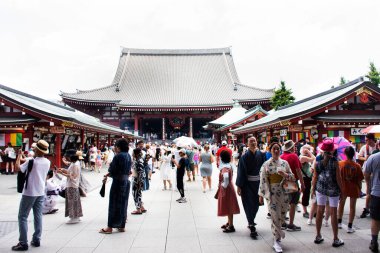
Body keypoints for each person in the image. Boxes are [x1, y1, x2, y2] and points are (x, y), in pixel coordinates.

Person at [12, 140, 50, 251]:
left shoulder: (31, 161)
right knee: (38, 216)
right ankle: (36, 239)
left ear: (36, 150)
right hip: (40, 192)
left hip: (29, 192)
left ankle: (23, 242)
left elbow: (17, 168)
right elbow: (31, 162)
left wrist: (19, 156)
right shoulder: (47, 162)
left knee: (22, 216)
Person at [259, 141, 295, 253]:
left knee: (282, 216)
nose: (276, 150)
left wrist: (285, 175)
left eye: (278, 149)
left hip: (284, 193)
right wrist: (262, 195)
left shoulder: (285, 163)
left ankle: (278, 234)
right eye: (274, 148)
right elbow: (263, 180)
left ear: (280, 150)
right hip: (272, 194)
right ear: (270, 150)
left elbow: (292, 177)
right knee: (275, 217)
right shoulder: (266, 164)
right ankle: (277, 240)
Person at [312, 138, 344, 247]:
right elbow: (339, 178)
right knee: (334, 212)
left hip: (320, 188)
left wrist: (312, 189)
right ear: (331, 150)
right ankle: (335, 239)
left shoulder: (318, 160)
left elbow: (315, 177)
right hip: (333, 189)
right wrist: (342, 191)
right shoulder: (335, 161)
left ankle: (318, 235)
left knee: (320, 211)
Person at [236, 136, 266, 239]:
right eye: (251, 141)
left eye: (254, 141)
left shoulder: (261, 155)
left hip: (258, 183)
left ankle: (251, 220)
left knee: (257, 203)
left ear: (257, 142)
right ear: (247, 144)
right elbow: (241, 172)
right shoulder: (244, 157)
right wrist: (239, 186)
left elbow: (264, 170)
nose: (253, 143)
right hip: (247, 184)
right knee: (248, 203)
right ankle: (251, 223)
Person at [99, 138, 132, 234]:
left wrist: (109, 172)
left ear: (118, 147)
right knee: (123, 204)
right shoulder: (128, 155)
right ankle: (121, 226)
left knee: (114, 204)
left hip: (118, 182)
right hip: (126, 182)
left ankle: (110, 227)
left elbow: (113, 169)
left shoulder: (118, 156)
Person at [337, 146, 364, 233]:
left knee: (341, 204)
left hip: (343, 187)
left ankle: (339, 223)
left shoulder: (340, 164)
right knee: (352, 207)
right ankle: (349, 226)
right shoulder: (357, 166)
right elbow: (360, 180)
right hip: (354, 188)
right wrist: (360, 189)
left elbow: (338, 177)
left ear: (345, 154)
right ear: (354, 154)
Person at [280, 140, 305, 232]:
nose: (295, 148)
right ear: (291, 148)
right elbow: (298, 171)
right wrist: (302, 184)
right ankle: (290, 224)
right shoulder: (294, 156)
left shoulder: (281, 156)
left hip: (282, 182)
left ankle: (282, 222)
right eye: (294, 147)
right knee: (293, 203)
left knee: (284, 203)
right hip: (292, 182)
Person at [57, 150, 83, 224]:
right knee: (75, 201)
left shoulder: (75, 165)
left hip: (72, 185)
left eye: (68, 157)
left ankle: (73, 217)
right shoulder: (75, 163)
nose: (67, 158)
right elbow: (70, 173)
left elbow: (72, 176)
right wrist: (63, 170)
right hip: (73, 185)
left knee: (72, 202)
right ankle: (76, 216)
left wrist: (62, 173)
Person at [217, 150, 240, 233]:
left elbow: (226, 178)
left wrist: (223, 185)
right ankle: (229, 222)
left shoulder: (224, 168)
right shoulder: (229, 165)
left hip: (226, 189)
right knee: (229, 205)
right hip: (230, 187)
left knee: (228, 206)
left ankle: (231, 226)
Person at [364, 151, 380, 252]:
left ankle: (374, 242)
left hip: (377, 192)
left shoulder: (373, 157)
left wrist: (369, 187)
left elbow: (366, 174)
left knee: (375, 219)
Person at [359, 133, 377, 218]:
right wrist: (365, 158)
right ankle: (367, 208)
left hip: (376, 171)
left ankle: (372, 206)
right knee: (369, 189)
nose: (365, 142)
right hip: (367, 170)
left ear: (371, 139)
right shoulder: (364, 147)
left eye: (366, 140)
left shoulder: (377, 146)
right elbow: (359, 156)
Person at [299, 144, 315, 219]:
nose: (308, 152)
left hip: (308, 177)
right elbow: (314, 158)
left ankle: (312, 210)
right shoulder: (302, 157)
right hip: (305, 178)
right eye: (306, 150)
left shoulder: (305, 157)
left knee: (307, 194)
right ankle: (305, 211)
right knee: (306, 194)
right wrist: (308, 151)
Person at [131, 148, 147, 214]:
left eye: (133, 152)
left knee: (135, 194)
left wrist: (139, 182)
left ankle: (138, 209)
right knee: (138, 193)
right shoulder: (139, 159)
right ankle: (141, 207)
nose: (132, 154)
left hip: (137, 179)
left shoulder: (139, 160)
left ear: (136, 153)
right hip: (138, 179)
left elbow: (140, 171)